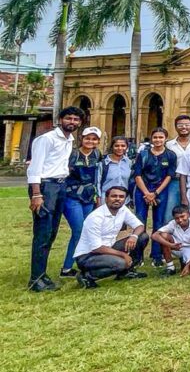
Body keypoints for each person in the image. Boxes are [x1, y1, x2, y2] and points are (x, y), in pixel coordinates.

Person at [26, 105, 85, 291]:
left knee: (52, 232)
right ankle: (35, 279)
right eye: (69, 118)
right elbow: (35, 167)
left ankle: (42, 275)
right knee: (42, 232)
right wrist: (36, 194)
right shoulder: (46, 139)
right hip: (45, 186)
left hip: (60, 185)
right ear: (60, 119)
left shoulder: (69, 141)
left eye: (76, 120)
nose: (72, 122)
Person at [73, 185, 149, 288]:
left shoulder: (123, 209)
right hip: (88, 256)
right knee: (121, 263)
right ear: (106, 198)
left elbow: (140, 226)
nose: (118, 199)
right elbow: (96, 248)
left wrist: (134, 236)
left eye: (121, 197)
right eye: (114, 196)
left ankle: (126, 273)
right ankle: (86, 276)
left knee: (142, 237)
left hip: (108, 248)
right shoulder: (96, 217)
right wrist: (123, 255)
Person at [58, 126, 102, 278]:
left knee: (87, 231)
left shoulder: (97, 154)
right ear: (81, 139)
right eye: (88, 138)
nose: (90, 141)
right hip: (72, 196)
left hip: (89, 197)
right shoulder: (73, 154)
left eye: (94, 139)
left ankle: (79, 264)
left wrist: (98, 195)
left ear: (98, 141)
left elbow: (98, 176)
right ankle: (68, 267)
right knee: (79, 231)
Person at [132, 126, 177, 268]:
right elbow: (137, 175)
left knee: (159, 223)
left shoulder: (170, 155)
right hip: (142, 190)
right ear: (151, 139)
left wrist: (156, 193)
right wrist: (147, 193)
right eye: (155, 137)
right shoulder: (143, 154)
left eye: (161, 137)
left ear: (165, 139)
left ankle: (156, 255)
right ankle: (137, 256)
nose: (158, 140)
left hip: (160, 190)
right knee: (140, 222)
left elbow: (170, 175)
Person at [151, 204, 190, 275]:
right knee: (163, 235)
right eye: (177, 218)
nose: (180, 220)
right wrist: (171, 245)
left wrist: (188, 265)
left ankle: (184, 262)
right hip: (176, 247)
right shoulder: (173, 223)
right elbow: (154, 235)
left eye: (182, 216)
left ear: (189, 214)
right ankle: (170, 267)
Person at [166, 114, 190, 211]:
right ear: (175, 127)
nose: (184, 127)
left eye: (187, 125)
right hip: (174, 181)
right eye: (180, 125)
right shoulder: (168, 145)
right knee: (170, 210)